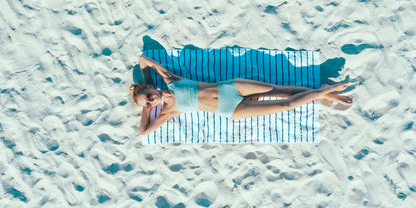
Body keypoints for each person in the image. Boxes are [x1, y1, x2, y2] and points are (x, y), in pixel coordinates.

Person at [131, 55, 352, 136]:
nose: (152, 101)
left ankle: (325, 93)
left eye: (149, 96)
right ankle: (323, 91)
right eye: (149, 103)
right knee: (284, 105)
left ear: (150, 89)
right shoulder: (169, 111)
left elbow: (143, 60)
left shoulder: (170, 79)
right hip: (232, 110)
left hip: (230, 88)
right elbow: (143, 133)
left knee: (280, 90)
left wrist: (149, 84)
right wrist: (147, 108)